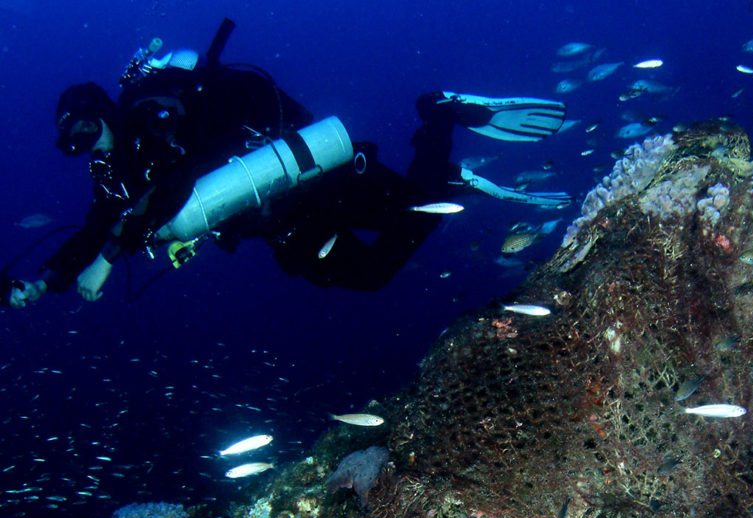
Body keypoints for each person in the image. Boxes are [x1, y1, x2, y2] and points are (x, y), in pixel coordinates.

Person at [4, 19, 570, 307]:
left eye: (84, 128)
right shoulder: (118, 170)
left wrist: (108, 256)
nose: (83, 146)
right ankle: (443, 172)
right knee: (373, 273)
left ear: (104, 110)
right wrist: (46, 279)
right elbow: (96, 225)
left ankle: (440, 117)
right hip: (280, 219)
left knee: (414, 209)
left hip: (312, 180)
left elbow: (184, 176)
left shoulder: (152, 115)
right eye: (70, 144)